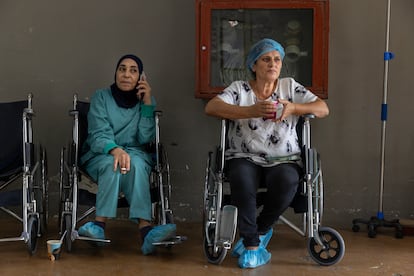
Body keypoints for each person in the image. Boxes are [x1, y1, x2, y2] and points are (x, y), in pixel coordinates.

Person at [205, 38, 329, 268]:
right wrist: (249, 110)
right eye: (266, 59)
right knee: (241, 179)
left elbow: (322, 109)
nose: (273, 64)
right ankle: (252, 246)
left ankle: (260, 231)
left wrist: (294, 108)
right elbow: (211, 107)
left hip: (284, 159)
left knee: (288, 181)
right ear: (254, 65)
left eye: (277, 60)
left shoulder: (289, 87)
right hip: (244, 157)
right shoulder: (239, 89)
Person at [78, 54, 176, 255]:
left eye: (133, 70)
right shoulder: (101, 97)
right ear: (115, 73)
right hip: (102, 152)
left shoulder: (145, 102)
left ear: (141, 77)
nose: (126, 74)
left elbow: (144, 137)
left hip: (134, 153)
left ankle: (146, 231)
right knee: (112, 165)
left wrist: (148, 102)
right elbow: (98, 133)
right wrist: (115, 150)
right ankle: (99, 226)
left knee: (138, 165)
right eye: (122, 69)